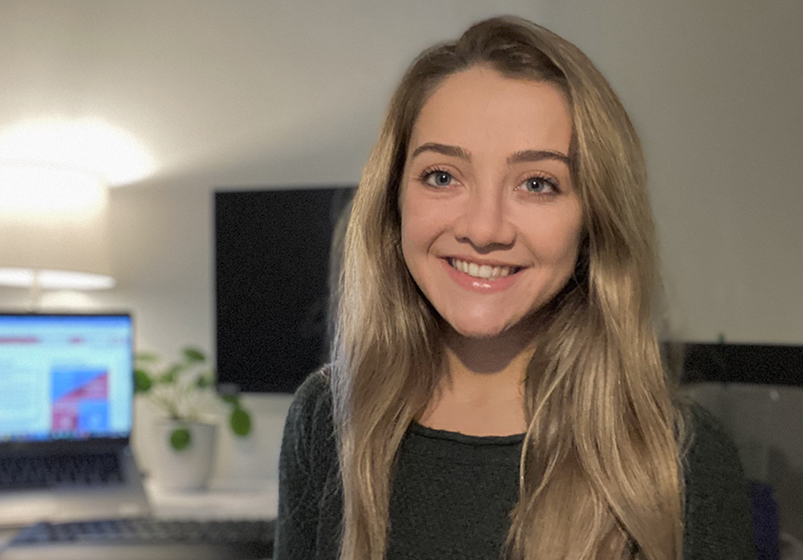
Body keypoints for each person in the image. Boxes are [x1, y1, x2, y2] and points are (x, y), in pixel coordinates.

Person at [275, 15, 755, 560]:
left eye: (537, 184)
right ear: (394, 200)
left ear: (593, 219)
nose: (484, 229)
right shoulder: (328, 418)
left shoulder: (677, 459)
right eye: (442, 176)